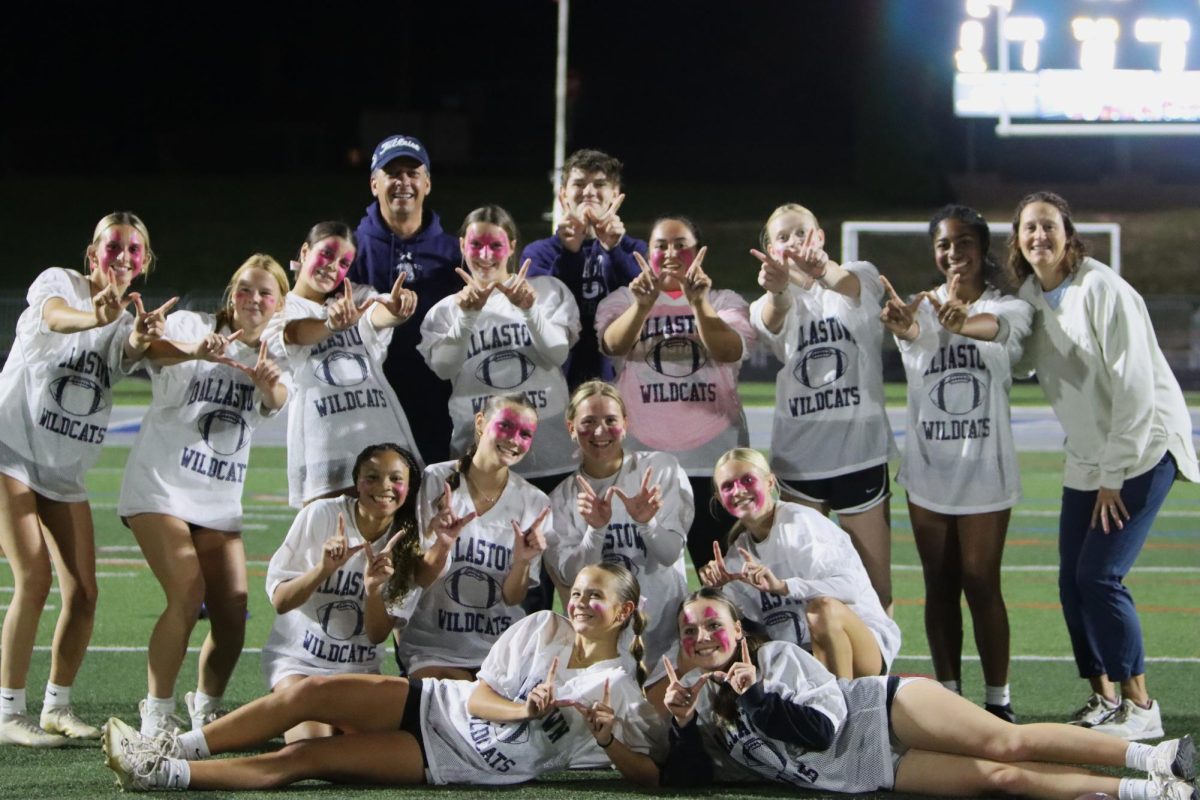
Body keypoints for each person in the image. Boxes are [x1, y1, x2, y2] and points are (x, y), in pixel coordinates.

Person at [100, 563, 662, 791]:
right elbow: (484, 694)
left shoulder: (621, 689)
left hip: (462, 763)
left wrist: (610, 739)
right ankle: (171, 745)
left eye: (598, 595)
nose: (582, 600)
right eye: (580, 590)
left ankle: (167, 776)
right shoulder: (543, 626)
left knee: (306, 761)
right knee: (310, 692)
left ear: (623, 612)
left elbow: (649, 775)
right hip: (441, 704)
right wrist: (525, 710)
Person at [655, 588, 1197, 800]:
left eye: (712, 625)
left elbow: (822, 729)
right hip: (867, 770)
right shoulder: (704, 702)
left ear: (737, 629)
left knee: (1007, 744)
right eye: (690, 631)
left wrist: (756, 700)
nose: (702, 638)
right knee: (1001, 780)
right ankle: (1154, 794)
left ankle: (1158, 755)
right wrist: (679, 727)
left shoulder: (774, 659)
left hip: (883, 711)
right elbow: (691, 780)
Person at [1009, 191, 1200, 739]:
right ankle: (1105, 699)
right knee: (1071, 579)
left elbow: (1136, 389)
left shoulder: (1104, 289)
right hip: (1089, 451)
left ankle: (1141, 707)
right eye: (1029, 229)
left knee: (1100, 574)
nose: (1039, 237)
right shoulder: (1030, 294)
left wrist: (1113, 474)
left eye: (1048, 226)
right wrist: (954, 323)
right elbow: (1018, 357)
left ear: (1067, 232)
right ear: (1018, 241)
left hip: (1142, 445)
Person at [0, 212, 171, 747]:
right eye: (113, 246)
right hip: (10, 449)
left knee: (85, 593)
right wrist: (92, 314)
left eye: (134, 250)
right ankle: (7, 711)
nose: (122, 257)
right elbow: (54, 318)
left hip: (64, 469)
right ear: (91, 254)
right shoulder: (60, 284)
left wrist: (141, 339)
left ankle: (56, 706)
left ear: (144, 264)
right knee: (34, 575)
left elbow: (130, 352)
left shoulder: (128, 318)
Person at [119, 254, 291, 736]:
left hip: (217, 499)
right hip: (161, 486)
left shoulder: (275, 355)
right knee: (187, 593)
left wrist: (267, 384)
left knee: (233, 611)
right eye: (245, 289)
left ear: (279, 305)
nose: (253, 300)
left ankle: (207, 707)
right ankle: (156, 711)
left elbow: (279, 400)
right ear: (230, 293)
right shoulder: (194, 324)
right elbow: (152, 351)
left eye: (265, 293)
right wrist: (197, 351)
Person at [878, 205, 1033, 721]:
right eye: (944, 244)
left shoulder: (1009, 307)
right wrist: (905, 331)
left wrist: (964, 323)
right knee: (938, 585)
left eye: (963, 242)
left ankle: (999, 703)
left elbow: (996, 331)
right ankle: (948, 700)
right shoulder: (918, 307)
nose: (953, 253)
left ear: (982, 248)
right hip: (928, 472)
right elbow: (914, 340)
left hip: (985, 472)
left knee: (981, 581)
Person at [749, 203, 895, 611]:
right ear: (771, 250)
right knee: (804, 587)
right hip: (799, 462)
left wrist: (821, 269)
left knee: (873, 587)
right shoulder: (770, 300)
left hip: (858, 455)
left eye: (802, 233)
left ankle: (878, 671)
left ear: (820, 238)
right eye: (783, 237)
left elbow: (848, 284)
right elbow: (773, 318)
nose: (794, 242)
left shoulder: (860, 272)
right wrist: (778, 289)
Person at [596, 215, 754, 571]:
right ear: (648, 252)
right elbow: (613, 344)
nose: (670, 253)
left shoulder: (724, 300)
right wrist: (642, 305)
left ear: (698, 252)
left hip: (712, 465)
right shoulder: (623, 299)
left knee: (724, 580)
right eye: (661, 246)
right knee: (643, 583)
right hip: (645, 466)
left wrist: (698, 304)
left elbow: (729, 350)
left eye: (681, 245)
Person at [262, 444, 424, 742]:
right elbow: (281, 601)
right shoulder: (322, 514)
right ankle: (278, 713)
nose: (384, 487)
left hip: (358, 669)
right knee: (313, 745)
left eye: (395, 478)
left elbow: (377, 635)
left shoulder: (409, 543)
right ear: (356, 482)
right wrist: (322, 569)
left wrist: (373, 589)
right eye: (372, 477)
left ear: (409, 486)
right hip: (300, 664)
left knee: (364, 747)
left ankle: (279, 717)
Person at [696, 449, 899, 679]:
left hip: (861, 647)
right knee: (705, 635)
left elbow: (848, 588)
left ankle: (841, 705)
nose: (739, 490)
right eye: (728, 486)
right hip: (802, 658)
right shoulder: (737, 554)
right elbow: (743, 628)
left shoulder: (801, 524)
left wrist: (784, 586)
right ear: (719, 500)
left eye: (748, 480)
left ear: (770, 481)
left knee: (821, 611)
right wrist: (719, 593)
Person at [418, 205, 580, 489]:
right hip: (480, 455)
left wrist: (530, 311)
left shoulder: (546, 291)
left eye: (496, 245)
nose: (484, 254)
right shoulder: (446, 310)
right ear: (461, 246)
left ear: (512, 246)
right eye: (476, 244)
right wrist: (466, 318)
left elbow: (557, 354)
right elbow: (444, 369)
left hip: (550, 451)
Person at [395, 394, 553, 679]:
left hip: (499, 650)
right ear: (480, 423)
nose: (514, 440)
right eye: (505, 426)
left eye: (525, 434)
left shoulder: (535, 502)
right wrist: (442, 544)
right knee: (452, 705)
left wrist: (523, 562)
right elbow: (418, 576)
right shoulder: (436, 480)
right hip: (434, 646)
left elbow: (512, 596)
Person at [274, 221, 423, 508]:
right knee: (332, 547)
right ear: (304, 251)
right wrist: (330, 324)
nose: (332, 266)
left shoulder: (355, 295)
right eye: (326, 254)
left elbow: (376, 313)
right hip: (324, 454)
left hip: (384, 445)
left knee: (396, 548)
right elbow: (293, 333)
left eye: (343, 262)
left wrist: (395, 310)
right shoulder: (282, 308)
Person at [546, 379, 693, 670]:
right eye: (588, 421)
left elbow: (669, 553)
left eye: (610, 420)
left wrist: (647, 523)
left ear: (625, 424)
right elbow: (570, 577)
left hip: (664, 633)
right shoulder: (560, 500)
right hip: (604, 646)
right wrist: (595, 531)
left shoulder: (660, 469)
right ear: (571, 427)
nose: (600, 431)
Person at [347, 134, 462, 464]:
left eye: (413, 173)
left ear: (427, 184)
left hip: (435, 403)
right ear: (374, 183)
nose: (404, 182)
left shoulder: (455, 253)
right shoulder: (350, 250)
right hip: (366, 400)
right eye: (393, 173)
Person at [521, 148, 648, 389]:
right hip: (556, 388)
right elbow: (543, 312)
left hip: (620, 390)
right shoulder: (538, 254)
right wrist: (570, 254)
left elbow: (643, 306)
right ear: (563, 195)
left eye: (599, 184)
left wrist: (615, 251)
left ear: (615, 194)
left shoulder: (636, 251)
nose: (589, 192)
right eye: (579, 184)